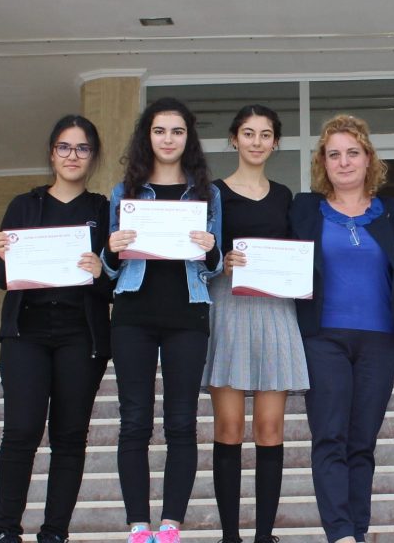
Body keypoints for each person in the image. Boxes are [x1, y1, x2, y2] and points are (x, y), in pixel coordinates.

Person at [289, 115, 394, 543]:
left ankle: (357, 532)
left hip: (380, 340)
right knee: (330, 437)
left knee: (362, 443)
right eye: (334, 155)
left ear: (368, 159)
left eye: (352, 153)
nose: (344, 162)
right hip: (322, 337)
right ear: (323, 163)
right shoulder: (304, 209)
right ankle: (341, 534)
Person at [103, 97, 223, 543]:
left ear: (188, 138)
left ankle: (171, 526)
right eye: (159, 131)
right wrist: (111, 248)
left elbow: (214, 266)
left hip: (188, 312)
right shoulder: (124, 192)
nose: (168, 139)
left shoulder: (207, 194)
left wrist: (211, 247)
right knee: (134, 421)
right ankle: (139, 526)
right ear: (147, 137)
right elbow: (110, 267)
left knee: (181, 422)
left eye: (177, 131)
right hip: (133, 312)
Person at [0, 115, 111, 543]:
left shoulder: (103, 211)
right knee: (21, 431)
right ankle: (6, 531)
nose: (72, 156)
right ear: (52, 153)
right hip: (27, 332)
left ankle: (55, 532)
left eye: (82, 148)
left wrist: (102, 271)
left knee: (70, 437)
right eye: (64, 147)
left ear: (92, 156)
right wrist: (5, 255)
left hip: (81, 334)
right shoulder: (24, 206)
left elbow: (120, 284)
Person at [203, 105, 308, 543]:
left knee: (270, 428)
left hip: (276, 310)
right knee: (228, 428)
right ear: (234, 139)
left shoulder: (285, 196)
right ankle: (230, 536)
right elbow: (200, 255)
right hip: (228, 307)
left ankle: (265, 535)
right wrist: (220, 261)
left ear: (275, 143)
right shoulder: (212, 194)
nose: (257, 142)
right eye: (248, 133)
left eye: (265, 134)